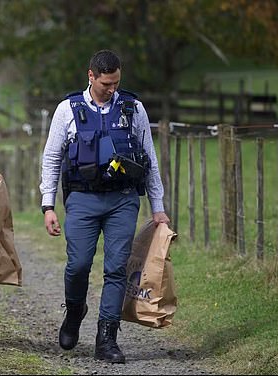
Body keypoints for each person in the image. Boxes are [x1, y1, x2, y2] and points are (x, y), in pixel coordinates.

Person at [39, 49, 170, 364]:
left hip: (123, 199)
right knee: (79, 265)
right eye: (106, 84)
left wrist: (158, 206)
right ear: (91, 76)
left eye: (116, 83)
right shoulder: (67, 110)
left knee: (116, 268)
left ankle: (106, 337)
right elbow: (52, 157)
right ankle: (74, 311)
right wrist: (48, 205)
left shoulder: (133, 108)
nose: (112, 90)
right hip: (82, 199)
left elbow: (149, 158)